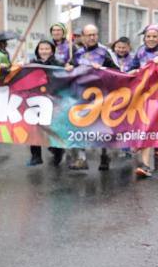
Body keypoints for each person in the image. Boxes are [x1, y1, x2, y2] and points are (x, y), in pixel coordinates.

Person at [64, 24, 117, 171]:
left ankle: (105, 156)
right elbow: (70, 67)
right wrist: (68, 66)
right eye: (89, 35)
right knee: (79, 125)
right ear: (83, 36)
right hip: (81, 96)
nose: (92, 37)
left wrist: (104, 69)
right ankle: (82, 159)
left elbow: (118, 72)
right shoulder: (78, 53)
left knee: (101, 127)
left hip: (101, 96)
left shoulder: (104, 53)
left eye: (95, 34)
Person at [27, 39, 64, 166]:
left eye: (47, 48)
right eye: (41, 49)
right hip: (36, 100)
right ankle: (36, 155)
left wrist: (69, 68)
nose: (44, 51)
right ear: (37, 50)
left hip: (54, 100)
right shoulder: (32, 63)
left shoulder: (59, 64)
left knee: (54, 128)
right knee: (34, 127)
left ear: (52, 50)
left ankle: (58, 152)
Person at [130, 25, 158, 178]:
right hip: (146, 97)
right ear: (144, 37)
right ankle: (145, 165)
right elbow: (131, 67)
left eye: (155, 36)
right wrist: (132, 71)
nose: (151, 39)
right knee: (147, 128)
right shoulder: (140, 51)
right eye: (149, 36)